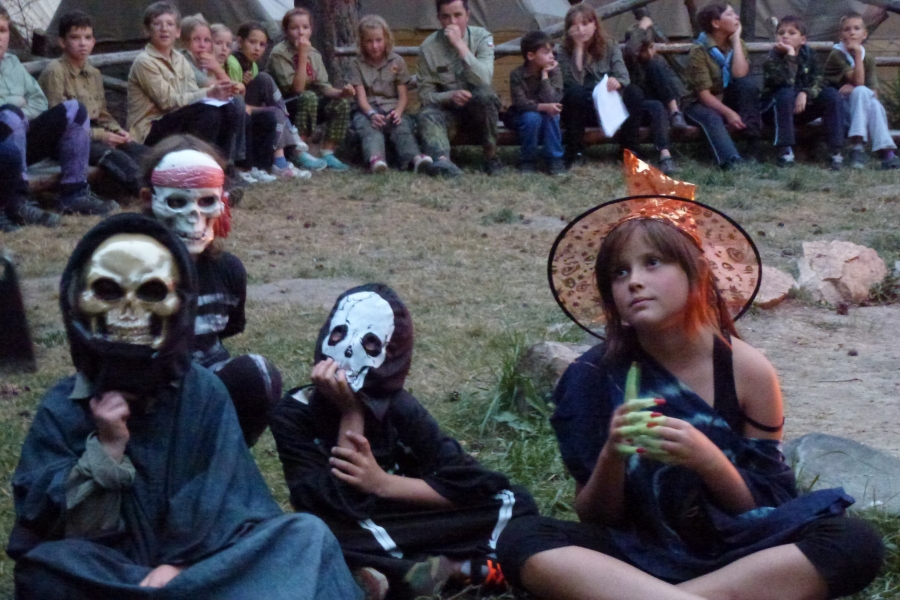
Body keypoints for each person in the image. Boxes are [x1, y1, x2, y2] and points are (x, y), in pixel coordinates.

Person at [496, 195, 885, 600]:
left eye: (653, 262)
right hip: (637, 551)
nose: (634, 281)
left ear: (696, 273)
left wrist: (708, 458)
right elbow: (596, 517)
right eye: (619, 272)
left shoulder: (746, 370)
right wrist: (612, 455)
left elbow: (769, 505)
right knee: (524, 538)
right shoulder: (591, 375)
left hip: (736, 549)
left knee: (851, 541)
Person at [7, 212, 364, 600]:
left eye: (151, 293)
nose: (129, 311)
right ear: (77, 300)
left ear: (179, 303)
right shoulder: (62, 406)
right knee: (45, 568)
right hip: (113, 567)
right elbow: (49, 520)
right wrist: (106, 452)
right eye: (108, 291)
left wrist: (181, 564)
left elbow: (227, 498)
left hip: (199, 564)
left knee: (305, 535)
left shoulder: (202, 391)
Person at [271, 284, 539, 600]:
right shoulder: (293, 415)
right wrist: (351, 413)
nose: (349, 350)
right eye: (340, 333)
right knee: (313, 535)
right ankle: (453, 573)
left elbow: (471, 481)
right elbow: (342, 505)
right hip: (349, 526)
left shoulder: (398, 407)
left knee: (513, 502)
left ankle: (436, 572)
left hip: (407, 518)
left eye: (370, 342)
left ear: (391, 355)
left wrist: (382, 483)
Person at [141, 134, 283, 447]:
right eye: (177, 202)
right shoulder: (128, 271)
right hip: (146, 392)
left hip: (207, 383)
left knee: (258, 374)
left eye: (206, 201)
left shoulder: (227, 270)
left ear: (222, 202)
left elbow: (229, 327)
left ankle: (223, 457)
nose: (194, 216)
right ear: (149, 200)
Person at [0, 5, 113, 221]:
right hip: (3, 148)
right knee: (11, 115)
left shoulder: (13, 63)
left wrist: (20, 114)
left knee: (75, 109)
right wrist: (15, 104)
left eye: (3, 30)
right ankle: (17, 201)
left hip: (24, 138)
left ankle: (74, 193)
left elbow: (40, 102)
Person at [40, 10, 149, 197]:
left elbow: (102, 113)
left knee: (141, 151)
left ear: (93, 42)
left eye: (87, 37)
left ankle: (171, 182)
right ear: (62, 42)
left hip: (95, 131)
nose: (82, 43)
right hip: (67, 139)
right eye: (75, 37)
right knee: (114, 157)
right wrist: (101, 135)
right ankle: (144, 192)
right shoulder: (55, 71)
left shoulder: (93, 73)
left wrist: (117, 131)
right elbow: (59, 124)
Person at [558, 4, 675, 173]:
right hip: (583, 108)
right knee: (575, 94)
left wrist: (616, 81)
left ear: (594, 25)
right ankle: (576, 152)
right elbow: (571, 83)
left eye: (585, 24)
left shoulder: (609, 45)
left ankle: (629, 150)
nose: (581, 30)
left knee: (634, 92)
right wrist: (579, 48)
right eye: (575, 26)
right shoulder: (563, 50)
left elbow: (623, 75)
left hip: (609, 106)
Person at [127, 2, 238, 154]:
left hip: (176, 119)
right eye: (157, 24)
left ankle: (220, 162)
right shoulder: (145, 61)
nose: (164, 29)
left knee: (228, 109)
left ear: (178, 32)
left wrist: (218, 93)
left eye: (170, 24)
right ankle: (197, 161)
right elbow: (167, 102)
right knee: (207, 113)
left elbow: (192, 91)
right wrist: (209, 92)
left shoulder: (179, 59)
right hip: (149, 129)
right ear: (147, 31)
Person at [416, 0, 502, 176]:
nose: (452, 22)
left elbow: (484, 78)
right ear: (439, 19)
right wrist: (450, 96)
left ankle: (491, 157)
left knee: (486, 95)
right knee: (427, 114)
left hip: (478, 109)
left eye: (458, 15)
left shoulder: (482, 37)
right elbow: (425, 95)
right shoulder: (428, 47)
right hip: (449, 110)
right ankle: (442, 162)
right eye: (446, 17)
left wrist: (460, 45)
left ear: (467, 15)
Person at [268, 7, 353, 172]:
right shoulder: (280, 53)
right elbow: (297, 89)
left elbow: (323, 87)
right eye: (294, 28)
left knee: (341, 103)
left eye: (305, 27)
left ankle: (328, 152)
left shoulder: (314, 54)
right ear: (286, 31)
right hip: (284, 106)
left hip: (309, 104)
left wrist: (342, 93)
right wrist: (302, 55)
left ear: (311, 30)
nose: (301, 32)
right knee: (308, 96)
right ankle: (298, 150)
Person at [350, 14, 433, 174]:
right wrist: (372, 114)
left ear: (386, 39)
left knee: (402, 129)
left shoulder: (396, 61)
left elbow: (403, 95)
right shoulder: (356, 64)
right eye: (369, 41)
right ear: (362, 42)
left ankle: (415, 159)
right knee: (370, 130)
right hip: (368, 110)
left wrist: (398, 112)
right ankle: (376, 160)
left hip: (392, 108)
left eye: (378, 40)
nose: (375, 46)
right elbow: (361, 98)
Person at [682, 3, 761, 169]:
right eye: (730, 14)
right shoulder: (700, 50)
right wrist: (729, 113)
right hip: (698, 103)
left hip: (725, 97)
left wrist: (737, 40)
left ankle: (752, 144)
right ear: (716, 23)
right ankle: (731, 160)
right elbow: (703, 95)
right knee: (712, 117)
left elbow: (740, 74)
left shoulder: (736, 43)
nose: (737, 17)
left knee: (747, 85)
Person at [228, 21, 310, 180]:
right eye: (252, 42)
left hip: (247, 107)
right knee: (265, 81)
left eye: (262, 44)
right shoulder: (233, 63)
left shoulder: (252, 66)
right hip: (237, 110)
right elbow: (234, 100)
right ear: (239, 41)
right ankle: (288, 139)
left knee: (267, 88)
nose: (257, 48)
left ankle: (281, 161)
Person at [761, 15, 844, 169]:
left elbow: (820, 79)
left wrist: (806, 93)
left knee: (831, 95)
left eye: (791, 33)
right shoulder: (772, 58)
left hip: (801, 107)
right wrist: (791, 55)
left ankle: (835, 151)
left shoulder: (809, 54)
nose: (785, 36)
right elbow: (785, 82)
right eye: (781, 33)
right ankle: (785, 151)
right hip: (774, 110)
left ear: (803, 40)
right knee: (785, 94)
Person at [824, 12, 899, 170]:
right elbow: (859, 81)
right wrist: (858, 54)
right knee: (861, 91)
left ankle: (869, 150)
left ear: (864, 34)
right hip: (838, 109)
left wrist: (857, 88)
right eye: (847, 29)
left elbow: (874, 93)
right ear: (841, 36)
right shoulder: (837, 54)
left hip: (860, 109)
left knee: (871, 101)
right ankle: (868, 148)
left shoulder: (868, 58)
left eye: (857, 28)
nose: (852, 32)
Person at [507, 30, 565, 175]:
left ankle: (554, 159)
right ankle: (528, 160)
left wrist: (545, 75)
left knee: (552, 115)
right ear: (531, 56)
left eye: (552, 51)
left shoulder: (554, 71)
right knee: (532, 118)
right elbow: (521, 103)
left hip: (546, 115)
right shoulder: (517, 75)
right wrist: (544, 107)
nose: (552, 56)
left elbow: (553, 100)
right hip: (521, 115)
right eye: (546, 52)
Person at [622, 11, 689, 129]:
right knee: (653, 66)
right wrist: (642, 27)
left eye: (651, 47)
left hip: (661, 104)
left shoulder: (657, 61)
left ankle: (675, 112)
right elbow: (631, 50)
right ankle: (674, 112)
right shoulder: (629, 60)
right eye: (643, 50)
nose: (649, 53)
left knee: (655, 66)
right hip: (639, 106)